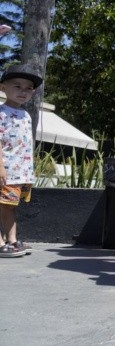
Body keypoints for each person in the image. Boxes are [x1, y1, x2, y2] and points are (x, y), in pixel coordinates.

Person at [0, 64, 43, 258]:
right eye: (17, 86)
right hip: (4, 170)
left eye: (28, 88)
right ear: (3, 87)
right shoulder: (1, 113)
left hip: (19, 172)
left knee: (10, 206)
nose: (23, 91)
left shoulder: (26, 115)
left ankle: (12, 240)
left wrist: (28, 172)